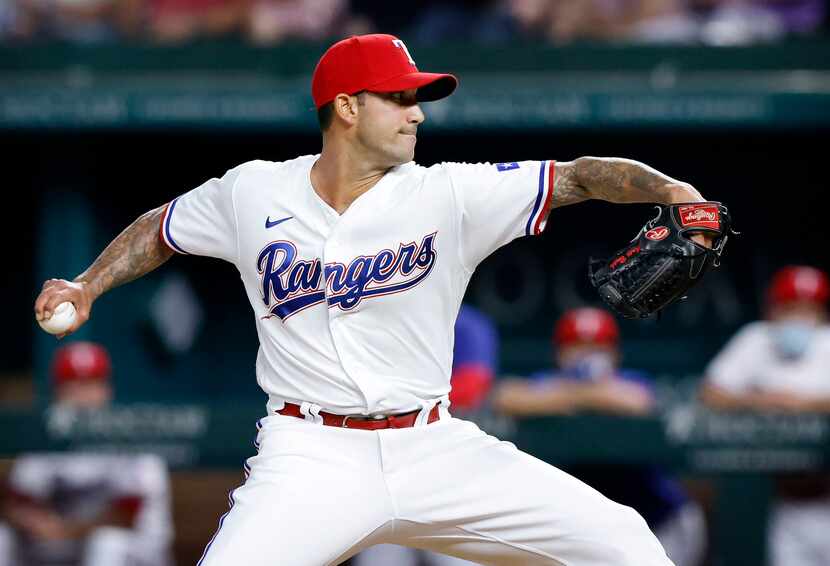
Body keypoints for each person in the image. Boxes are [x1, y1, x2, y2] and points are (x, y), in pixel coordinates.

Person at [34, 33, 716, 565]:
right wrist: (88, 284)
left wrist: (677, 194)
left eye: (417, 97)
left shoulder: (448, 192)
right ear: (347, 107)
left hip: (434, 445)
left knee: (624, 541)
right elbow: (162, 227)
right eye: (398, 97)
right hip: (310, 455)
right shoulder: (253, 192)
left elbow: (576, 178)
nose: (417, 111)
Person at [492, 307, 707, 566]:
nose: (586, 354)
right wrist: (582, 394)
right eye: (577, 345)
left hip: (658, 521)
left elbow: (638, 401)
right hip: (593, 530)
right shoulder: (549, 382)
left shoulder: (631, 381)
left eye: (597, 346)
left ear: (615, 354)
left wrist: (571, 396)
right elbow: (507, 396)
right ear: (559, 353)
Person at [700, 265, 830, 566]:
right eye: (791, 307)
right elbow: (710, 393)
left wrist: (804, 404)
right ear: (774, 309)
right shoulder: (756, 339)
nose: (799, 316)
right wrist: (760, 400)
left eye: (808, 308)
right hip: (782, 500)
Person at [0, 342, 174, 566]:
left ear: (107, 389)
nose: (82, 396)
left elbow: (126, 517)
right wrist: (37, 522)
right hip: (73, 543)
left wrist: (64, 530)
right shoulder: (49, 432)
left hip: (137, 547)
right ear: (57, 392)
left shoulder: (129, 433)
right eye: (72, 385)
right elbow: (19, 500)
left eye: (90, 384)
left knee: (107, 543)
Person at [354, 303, 497, 566]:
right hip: (387, 463)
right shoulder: (374, 320)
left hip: (447, 464)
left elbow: (472, 388)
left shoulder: (464, 322)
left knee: (457, 559)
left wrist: (401, 400)